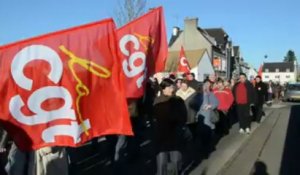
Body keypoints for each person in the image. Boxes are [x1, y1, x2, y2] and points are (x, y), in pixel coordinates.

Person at [153, 78, 187, 175]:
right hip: (161, 135)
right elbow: (154, 117)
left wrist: (180, 126)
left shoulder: (179, 100)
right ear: (163, 89)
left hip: (175, 134)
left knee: (176, 162)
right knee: (161, 163)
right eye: (169, 87)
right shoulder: (157, 101)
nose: (172, 88)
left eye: (172, 86)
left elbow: (184, 116)